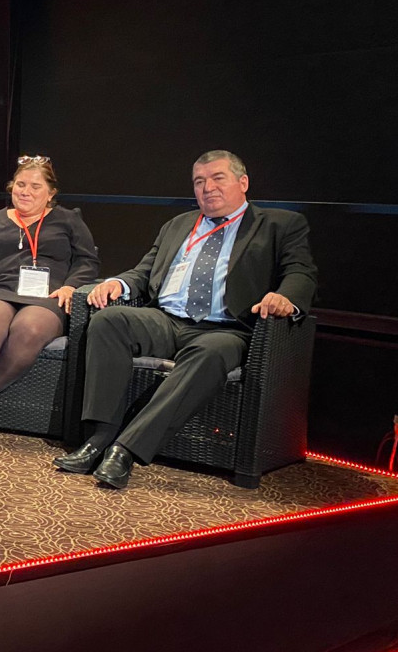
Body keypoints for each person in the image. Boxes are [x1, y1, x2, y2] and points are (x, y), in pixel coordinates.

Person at [55, 150, 316, 489]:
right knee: (111, 320)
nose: (208, 188)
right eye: (199, 181)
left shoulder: (279, 225)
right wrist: (116, 283)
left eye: (217, 178)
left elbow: (301, 272)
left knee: (210, 353)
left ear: (243, 182)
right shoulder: (177, 225)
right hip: (167, 318)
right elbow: (144, 272)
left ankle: (126, 449)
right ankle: (98, 438)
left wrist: (286, 297)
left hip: (225, 328)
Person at [0, 156, 99, 449]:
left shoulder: (68, 220)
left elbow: (88, 261)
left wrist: (71, 287)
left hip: (47, 297)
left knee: (29, 329)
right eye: (20, 184)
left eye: (35, 186)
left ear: (50, 193)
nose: (26, 191)